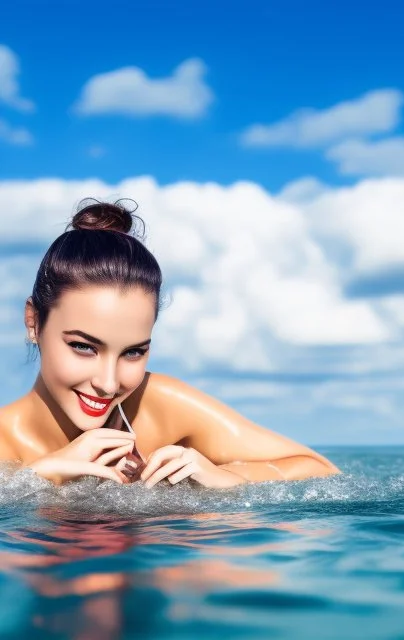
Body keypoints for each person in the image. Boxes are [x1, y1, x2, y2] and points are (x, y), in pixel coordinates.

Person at [0, 200, 340, 487]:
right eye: (84, 347)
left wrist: (226, 477)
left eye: (133, 352)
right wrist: (35, 477)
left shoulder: (156, 405)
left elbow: (322, 472)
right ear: (34, 322)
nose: (108, 383)